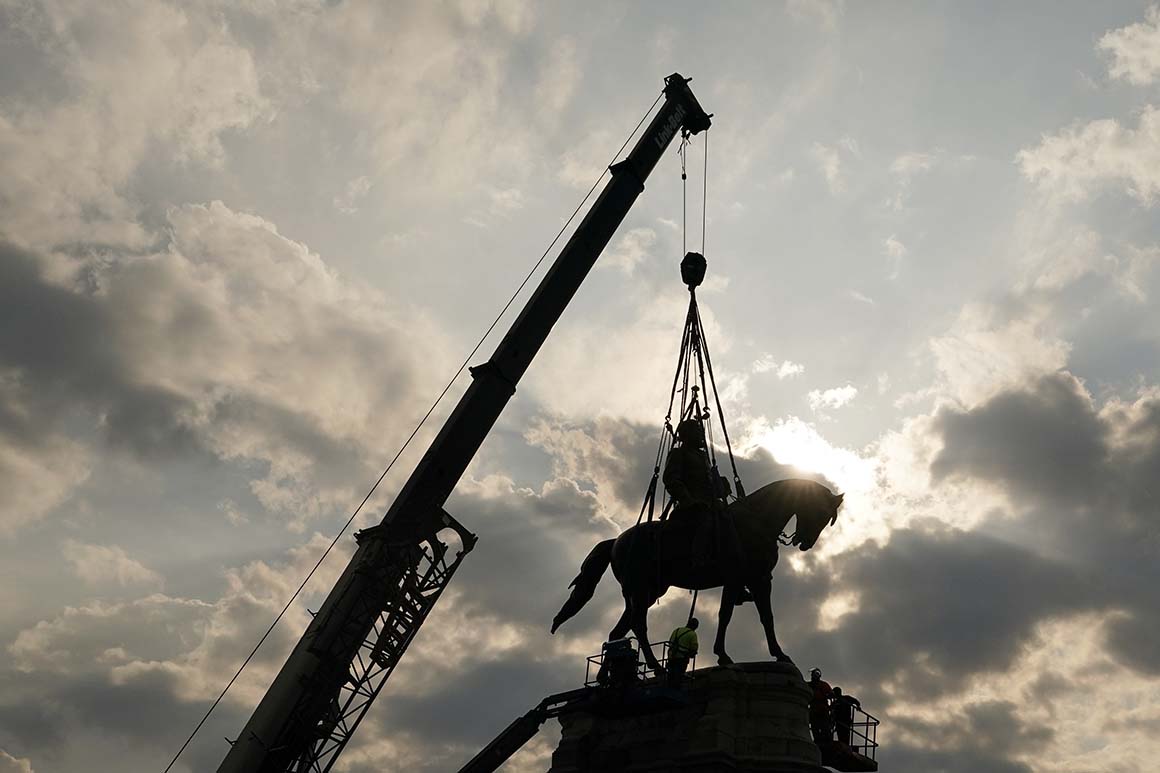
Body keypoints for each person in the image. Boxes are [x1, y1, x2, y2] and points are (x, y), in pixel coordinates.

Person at [663, 419, 743, 585]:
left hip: (710, 503)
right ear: (686, 435)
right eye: (697, 431)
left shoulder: (703, 457)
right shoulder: (679, 453)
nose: (701, 434)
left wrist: (721, 484)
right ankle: (698, 561)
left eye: (701, 431)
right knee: (705, 521)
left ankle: (735, 569)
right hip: (691, 506)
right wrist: (688, 500)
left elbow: (707, 481)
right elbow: (671, 480)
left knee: (735, 521)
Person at [666, 617, 699, 684]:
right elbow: (694, 648)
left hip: (671, 657)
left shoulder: (676, 630)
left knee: (670, 676)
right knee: (678, 678)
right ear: (695, 627)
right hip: (681, 659)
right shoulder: (692, 634)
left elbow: (670, 643)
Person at [808, 668, 834, 745]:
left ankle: (826, 742)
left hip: (822, 710)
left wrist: (830, 708)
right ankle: (819, 741)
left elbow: (831, 695)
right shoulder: (809, 685)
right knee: (815, 728)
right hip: (814, 710)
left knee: (824, 728)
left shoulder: (824, 685)